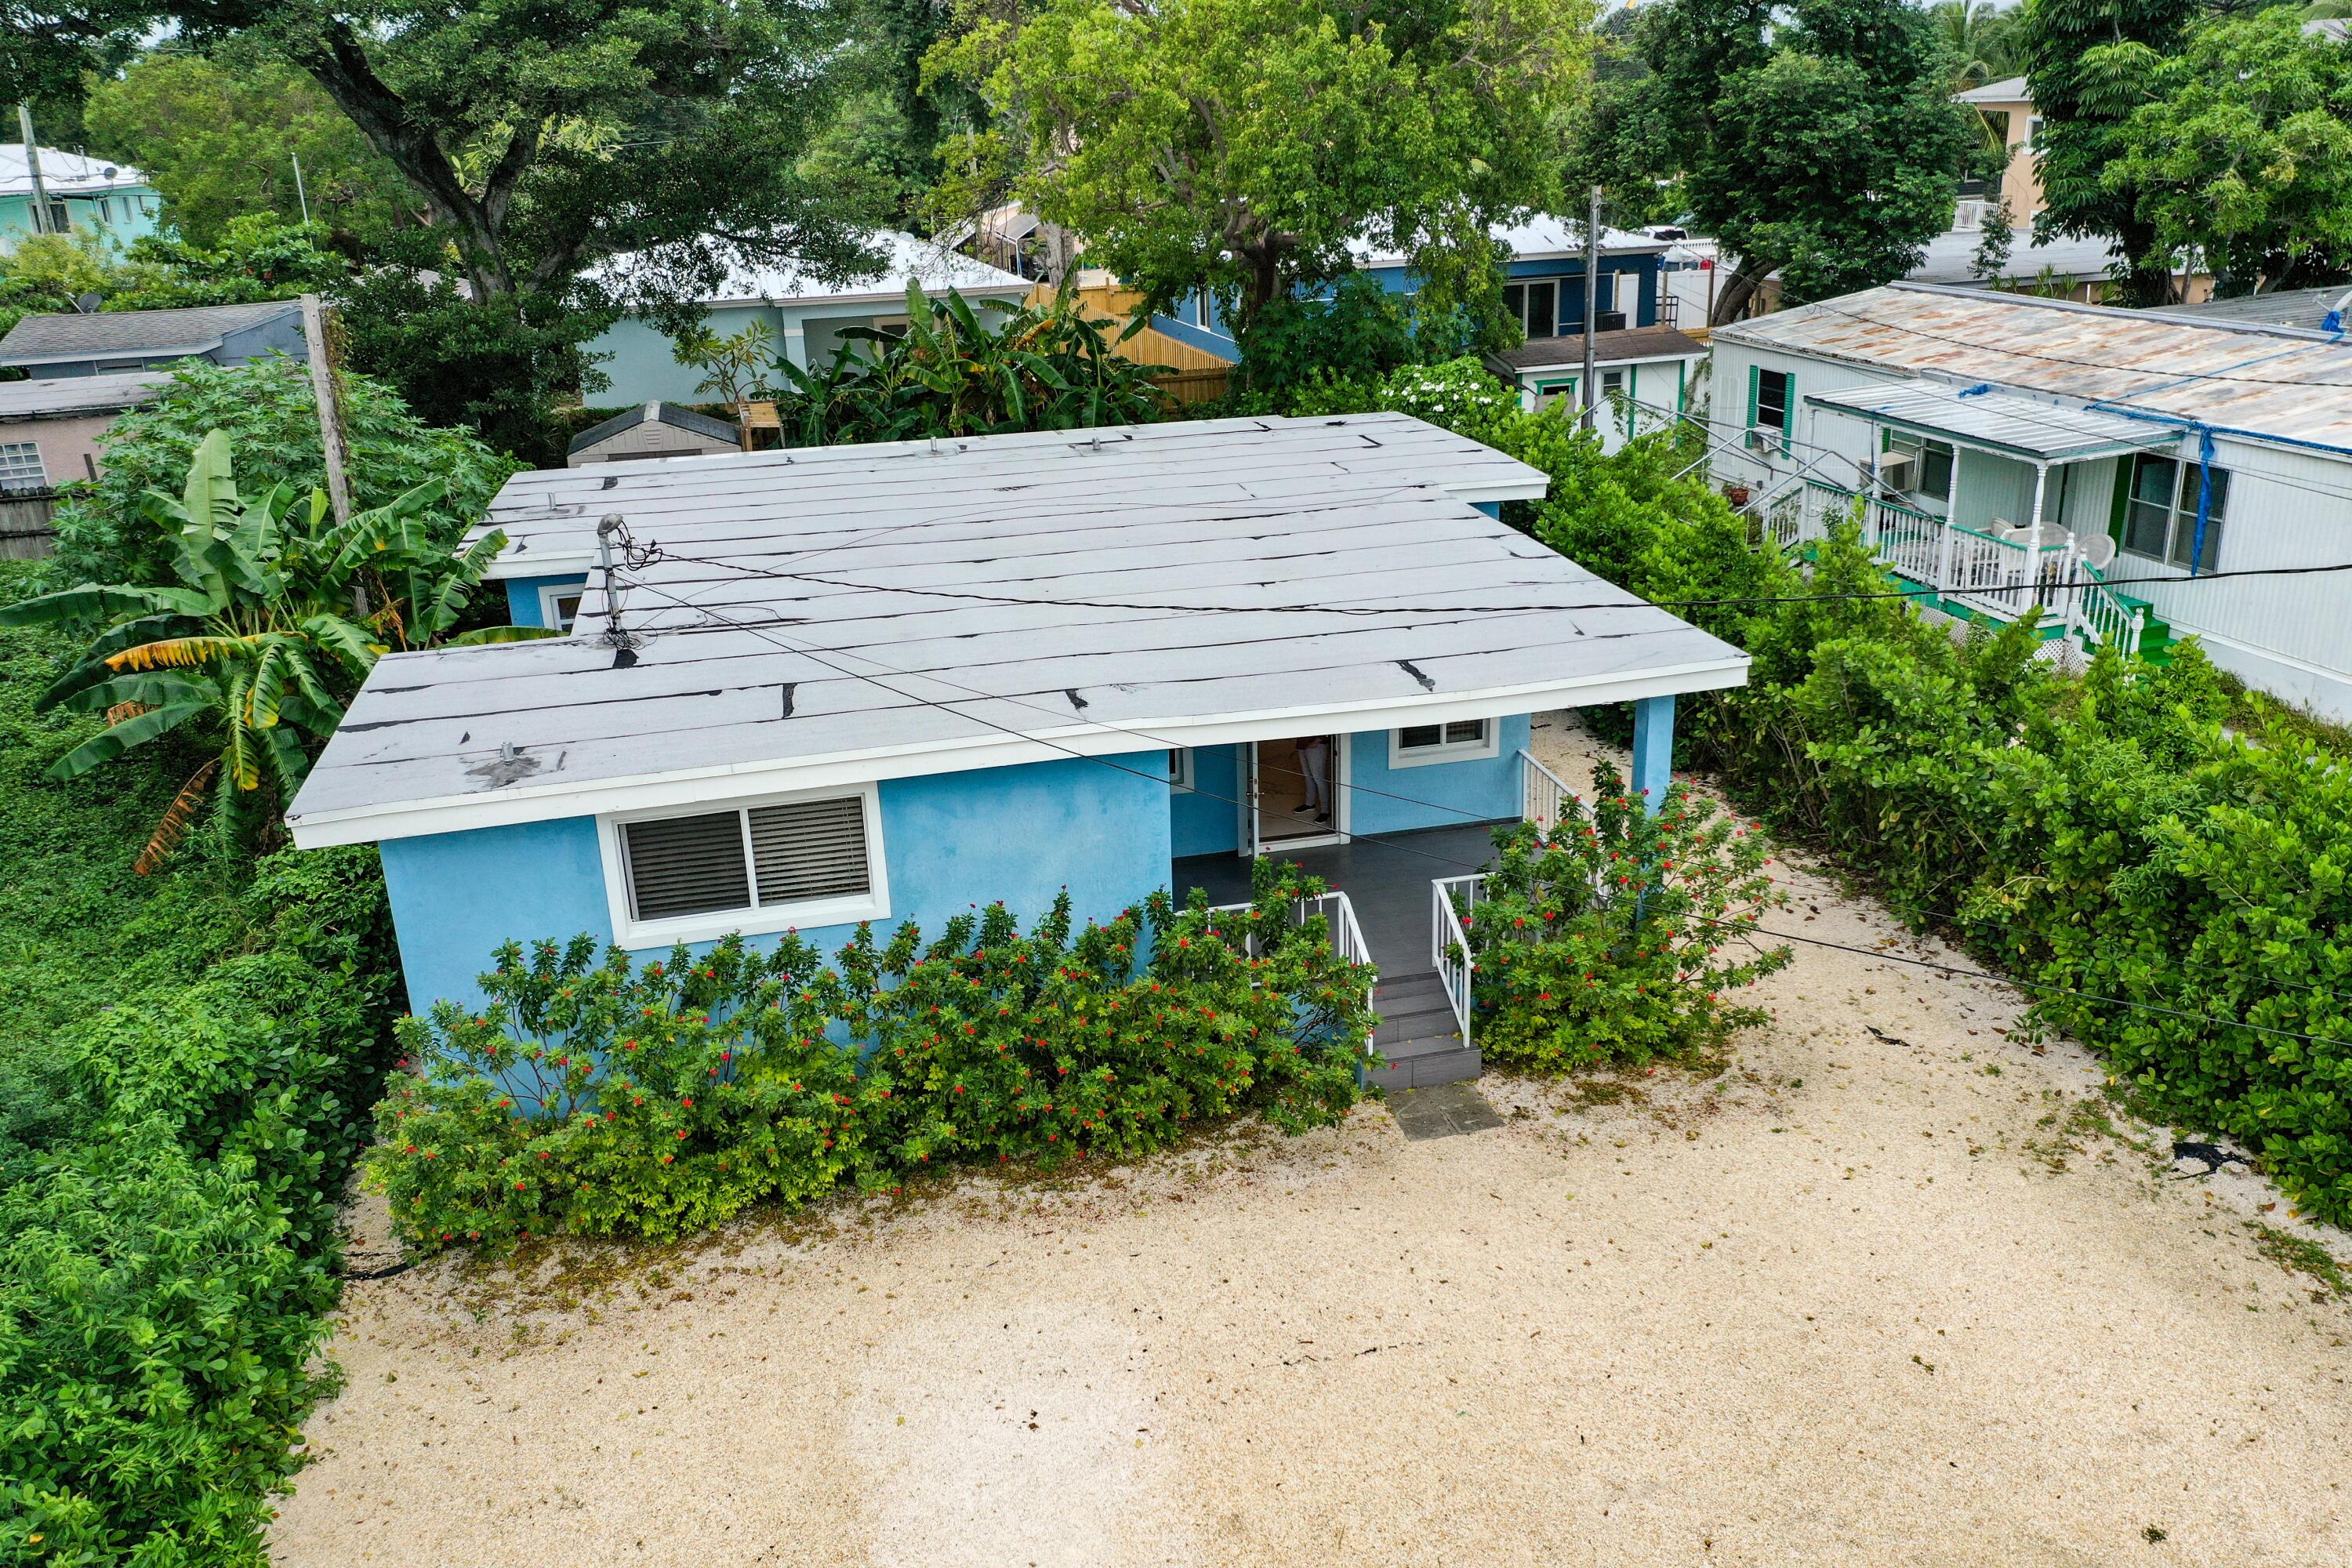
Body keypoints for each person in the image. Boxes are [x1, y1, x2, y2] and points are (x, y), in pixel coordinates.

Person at [1294, 735, 1331, 823]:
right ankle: (1309, 803)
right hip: (1302, 744)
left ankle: (1325, 811)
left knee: (1319, 779)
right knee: (1308, 776)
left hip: (1317, 745)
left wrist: (1317, 741)